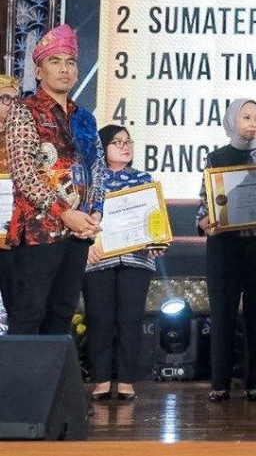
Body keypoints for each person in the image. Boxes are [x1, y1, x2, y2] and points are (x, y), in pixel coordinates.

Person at [5, 24, 104, 335]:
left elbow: (97, 169)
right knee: (28, 315)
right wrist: (64, 212)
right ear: (39, 71)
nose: (64, 69)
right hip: (39, 233)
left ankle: (52, 372)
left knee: (62, 317)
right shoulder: (25, 111)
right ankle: (20, 372)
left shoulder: (84, 118)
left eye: (70, 62)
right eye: (55, 61)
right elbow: (25, 172)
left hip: (78, 233)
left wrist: (95, 212)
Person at [197, 99, 256, 402]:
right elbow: (205, 201)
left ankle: (255, 382)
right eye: (246, 117)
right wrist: (205, 221)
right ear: (232, 121)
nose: (253, 123)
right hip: (224, 249)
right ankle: (219, 383)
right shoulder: (217, 158)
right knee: (222, 315)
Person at [83, 126, 162, 401]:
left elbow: (154, 219)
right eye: (117, 142)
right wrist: (86, 246)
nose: (125, 146)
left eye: (128, 141)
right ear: (102, 147)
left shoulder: (143, 179)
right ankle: (101, 380)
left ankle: (127, 380)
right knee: (99, 319)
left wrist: (157, 239)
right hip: (97, 258)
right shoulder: (89, 179)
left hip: (136, 259)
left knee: (131, 319)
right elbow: (80, 216)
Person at [0, 73, 23, 325]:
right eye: (6, 98)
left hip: (12, 240)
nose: (12, 105)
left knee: (16, 310)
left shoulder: (25, 140)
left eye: (16, 100)